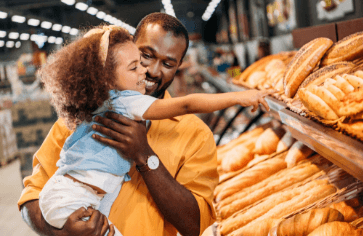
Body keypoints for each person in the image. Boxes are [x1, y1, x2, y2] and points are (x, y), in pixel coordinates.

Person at [18, 13, 271, 236]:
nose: (151, 70)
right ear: (127, 50)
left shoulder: (196, 135)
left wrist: (144, 156)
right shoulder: (82, 117)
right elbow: (32, 196)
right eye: (144, 56)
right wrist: (57, 229)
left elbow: (195, 226)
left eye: (168, 63)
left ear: (178, 68)